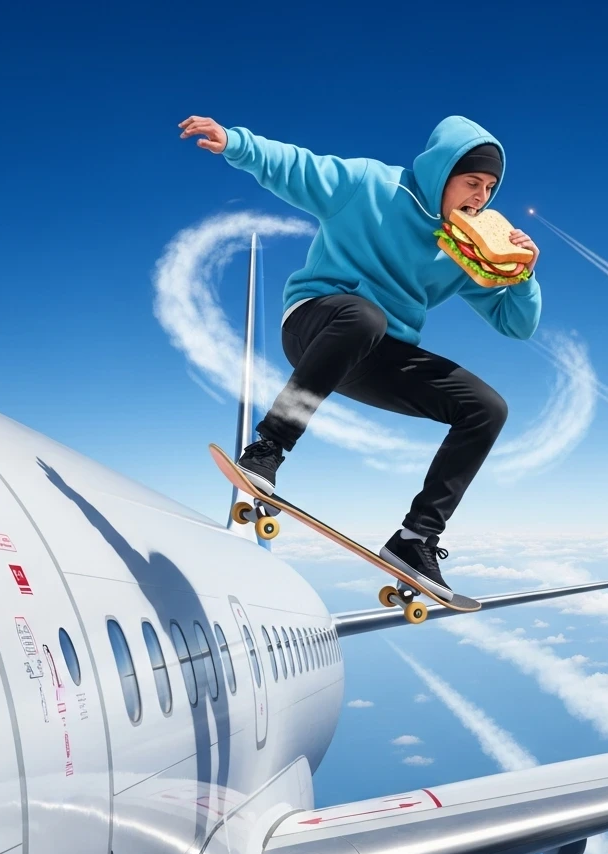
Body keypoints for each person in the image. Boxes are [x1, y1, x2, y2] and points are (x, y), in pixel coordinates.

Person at [178, 113, 542, 601]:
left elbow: (515, 325)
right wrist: (234, 143)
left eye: (489, 188)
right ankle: (267, 449)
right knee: (364, 317)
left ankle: (415, 540)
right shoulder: (372, 185)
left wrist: (521, 274)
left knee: (487, 408)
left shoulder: (465, 249)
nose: (479, 197)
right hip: (317, 324)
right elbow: (296, 167)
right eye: (471, 181)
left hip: (376, 358)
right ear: (442, 173)